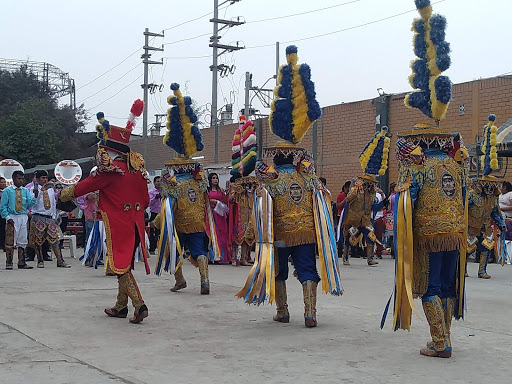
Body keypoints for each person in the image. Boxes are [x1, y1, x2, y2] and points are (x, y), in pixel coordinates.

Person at [237, 45, 342, 328]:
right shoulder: (308, 177)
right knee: (307, 270)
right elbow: (323, 202)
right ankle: (311, 313)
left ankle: (283, 311)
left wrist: (251, 233)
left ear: (276, 154)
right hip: (306, 232)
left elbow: (259, 212)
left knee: (280, 271)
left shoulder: (269, 179)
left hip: (280, 234)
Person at [387, 0, 465, 358]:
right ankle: (444, 337)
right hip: (456, 233)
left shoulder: (416, 165)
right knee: (448, 285)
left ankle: (440, 342)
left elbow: (404, 201)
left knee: (431, 287)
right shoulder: (454, 164)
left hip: (430, 235)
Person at [61, 99, 150, 323]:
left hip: (119, 225)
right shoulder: (137, 171)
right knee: (125, 265)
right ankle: (121, 307)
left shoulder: (110, 171)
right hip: (137, 224)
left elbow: (83, 187)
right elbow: (147, 200)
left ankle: (139, 304)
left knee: (119, 267)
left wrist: (63, 195)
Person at [152, 83, 219, 295]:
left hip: (179, 224)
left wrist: (156, 222)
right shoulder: (199, 183)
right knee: (199, 251)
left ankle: (180, 280)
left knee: (173, 249)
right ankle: (205, 280)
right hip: (198, 223)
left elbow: (167, 209)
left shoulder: (173, 183)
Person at [339, 126, 390, 268]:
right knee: (349, 239)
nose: (371, 185)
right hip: (353, 220)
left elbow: (374, 207)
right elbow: (348, 200)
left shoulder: (372, 194)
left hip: (365, 220)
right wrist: (355, 189)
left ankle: (370, 259)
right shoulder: (356, 190)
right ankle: (345, 257)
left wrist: (384, 203)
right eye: (370, 183)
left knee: (371, 237)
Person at [466, 115, 506, 279]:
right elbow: (463, 208)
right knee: (467, 247)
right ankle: (464, 270)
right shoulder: (473, 196)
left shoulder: (493, 198)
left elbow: (495, 213)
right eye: (487, 187)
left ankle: (482, 270)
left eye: (492, 187)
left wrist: (501, 223)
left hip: (485, 226)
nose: (490, 189)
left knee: (486, 247)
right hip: (471, 225)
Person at [228, 115, 258, 267]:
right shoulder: (234, 183)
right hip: (238, 211)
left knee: (248, 234)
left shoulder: (253, 182)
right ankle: (234, 257)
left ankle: (245, 257)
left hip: (249, 209)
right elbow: (231, 198)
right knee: (236, 234)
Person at [29, 170, 71, 268]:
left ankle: (60, 261)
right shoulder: (33, 189)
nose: (45, 180)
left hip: (49, 217)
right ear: (38, 179)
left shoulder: (51, 189)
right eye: (42, 178)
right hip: (38, 216)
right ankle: (40, 260)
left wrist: (53, 216)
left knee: (55, 238)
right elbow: (33, 202)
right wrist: (39, 192)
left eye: (45, 178)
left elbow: (52, 203)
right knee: (38, 240)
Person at [0, 170, 36, 269]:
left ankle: (21, 262)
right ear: (13, 179)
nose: (20, 181)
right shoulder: (7, 191)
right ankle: (9, 262)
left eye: (22, 179)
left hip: (23, 216)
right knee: (10, 239)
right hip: (12, 216)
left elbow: (30, 203)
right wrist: (8, 218)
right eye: (18, 178)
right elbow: (3, 206)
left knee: (23, 239)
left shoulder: (25, 191)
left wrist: (35, 196)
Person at [208, 172, 230, 264]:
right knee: (212, 233)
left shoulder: (221, 190)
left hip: (220, 214)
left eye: (216, 178)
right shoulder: (207, 190)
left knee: (222, 234)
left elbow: (225, 202)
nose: (215, 180)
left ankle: (222, 256)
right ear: (210, 180)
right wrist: (212, 201)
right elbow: (204, 201)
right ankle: (213, 256)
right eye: (213, 178)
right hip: (211, 214)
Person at [148, 176, 161, 254]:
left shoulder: (164, 192)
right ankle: (152, 248)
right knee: (153, 231)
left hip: (162, 214)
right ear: (154, 182)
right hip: (154, 213)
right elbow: (149, 203)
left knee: (161, 231)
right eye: (157, 181)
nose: (159, 183)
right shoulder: (151, 192)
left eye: (160, 181)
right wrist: (155, 198)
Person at [0, 176, 7, 251]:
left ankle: (5, 244)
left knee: (5, 229)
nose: (3, 184)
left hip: (5, 213)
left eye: (4, 182)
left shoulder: (7, 191)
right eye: (1, 182)